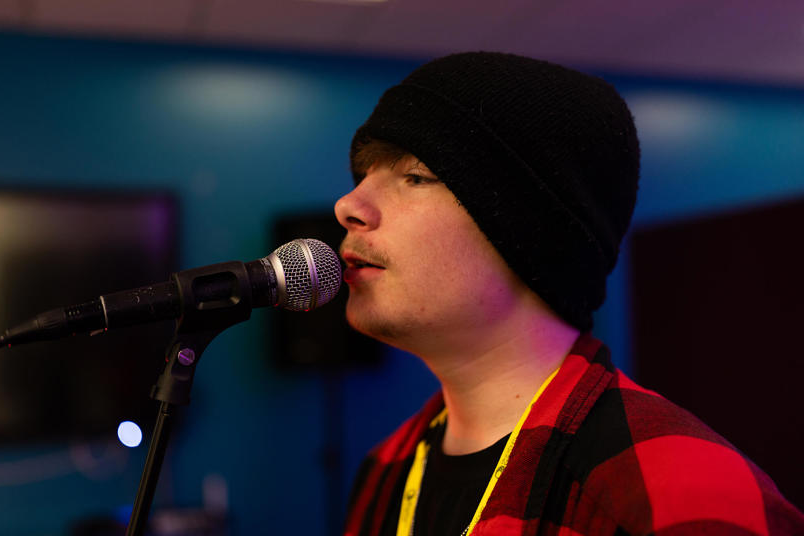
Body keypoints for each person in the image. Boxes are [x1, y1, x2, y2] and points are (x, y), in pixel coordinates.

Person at [334, 52, 804, 535]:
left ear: (529, 234)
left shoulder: (682, 498)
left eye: (416, 176)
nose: (347, 204)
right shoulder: (386, 468)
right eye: (364, 176)